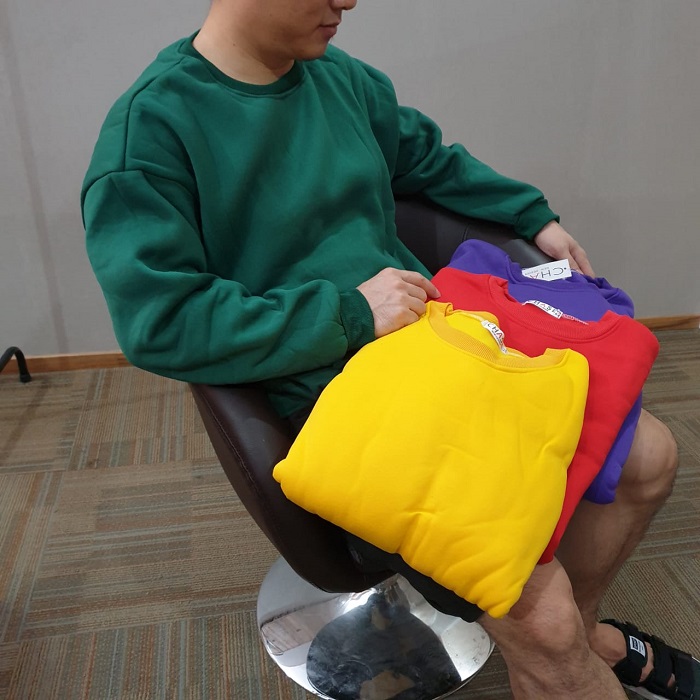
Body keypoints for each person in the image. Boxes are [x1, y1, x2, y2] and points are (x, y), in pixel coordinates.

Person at [81, 0, 697, 697]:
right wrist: (347, 314)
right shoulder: (151, 134)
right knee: (542, 623)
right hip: (329, 392)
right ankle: (562, 651)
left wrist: (531, 214)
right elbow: (161, 321)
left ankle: (578, 642)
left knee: (651, 458)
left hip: (437, 344)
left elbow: (427, 160)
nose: (349, 1)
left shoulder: (342, 79)